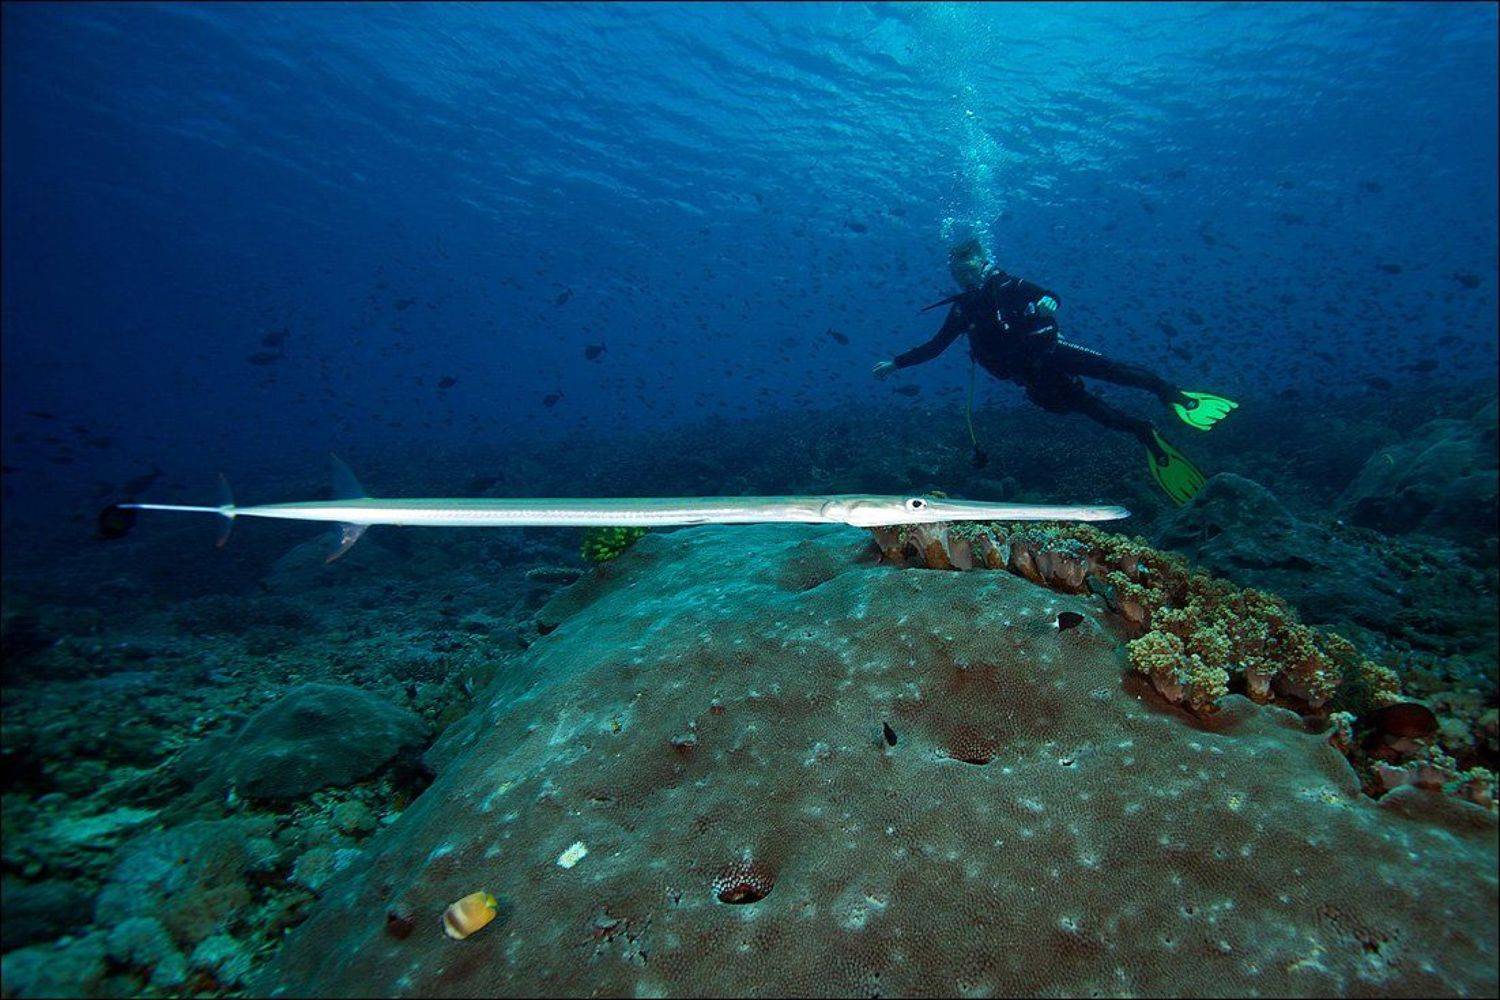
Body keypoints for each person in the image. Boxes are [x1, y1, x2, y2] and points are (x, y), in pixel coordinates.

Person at [874, 239, 1236, 504]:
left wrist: (1048, 304)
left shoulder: (1010, 286)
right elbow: (935, 347)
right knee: (1091, 409)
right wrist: (896, 364)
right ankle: (1145, 433)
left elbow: (1050, 296)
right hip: (1032, 379)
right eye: (958, 273)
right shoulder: (961, 311)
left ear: (984, 261)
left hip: (1053, 351)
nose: (965, 278)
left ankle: (1173, 395)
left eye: (969, 269)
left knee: (1114, 371)